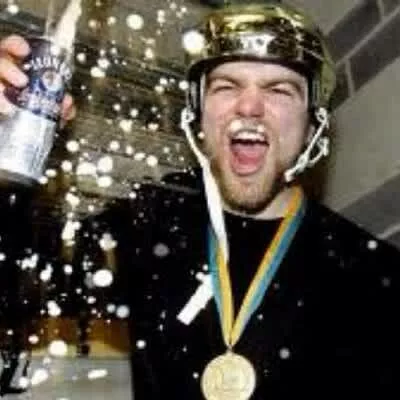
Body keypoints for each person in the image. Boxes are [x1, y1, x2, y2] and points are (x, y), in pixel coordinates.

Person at [0, 2, 399, 399]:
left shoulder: (373, 276)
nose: (249, 106)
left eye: (279, 89)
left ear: (313, 123)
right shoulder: (147, 223)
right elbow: (15, 285)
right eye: (226, 86)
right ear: (197, 112)